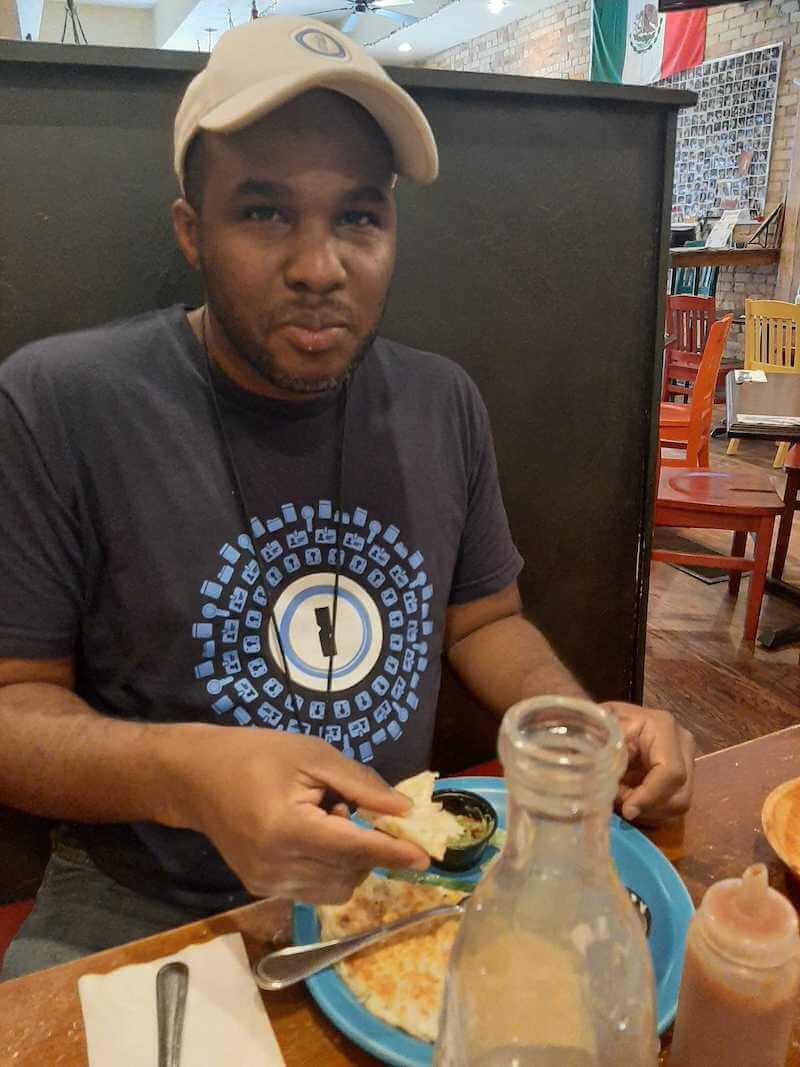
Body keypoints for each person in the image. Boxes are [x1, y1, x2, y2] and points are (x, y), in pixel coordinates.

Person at [0, 15, 694, 980]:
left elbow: (483, 621)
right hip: (141, 895)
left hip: (407, 875)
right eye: (265, 212)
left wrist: (578, 732)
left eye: (359, 216)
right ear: (191, 231)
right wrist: (193, 778)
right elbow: (11, 708)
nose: (320, 267)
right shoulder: (58, 401)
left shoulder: (442, 400)